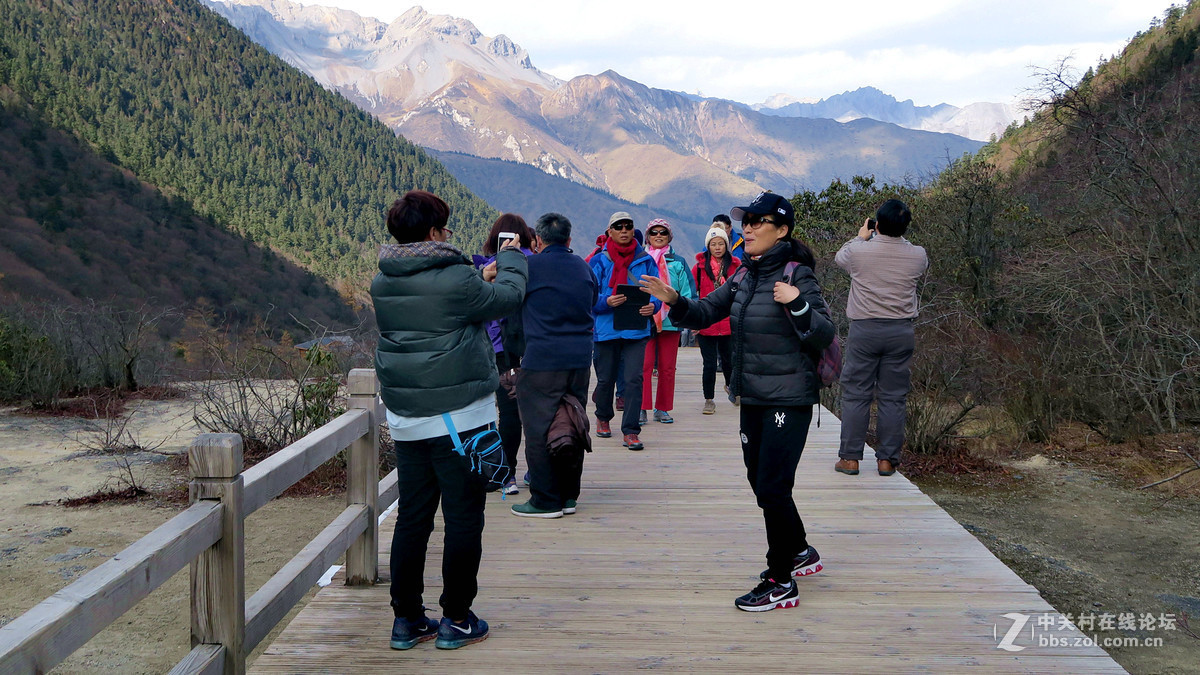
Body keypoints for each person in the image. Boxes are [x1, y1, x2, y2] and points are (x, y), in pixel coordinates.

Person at [640, 191, 834, 612]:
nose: (747, 227)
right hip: (754, 396)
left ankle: (780, 579)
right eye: (746, 220)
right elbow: (707, 311)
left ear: (782, 230)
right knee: (760, 482)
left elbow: (823, 333)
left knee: (772, 486)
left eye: (759, 221)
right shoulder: (745, 275)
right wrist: (673, 300)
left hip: (789, 398)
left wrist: (797, 304)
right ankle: (799, 549)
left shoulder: (796, 275)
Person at [372, 190, 527, 650]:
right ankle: (456, 619)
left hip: (407, 419)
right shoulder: (457, 278)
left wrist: (480, 275)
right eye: (445, 226)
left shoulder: (385, 280)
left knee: (413, 519)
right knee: (462, 519)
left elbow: (436, 304)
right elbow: (509, 297)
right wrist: (511, 257)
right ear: (435, 231)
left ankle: (407, 621)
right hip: (460, 421)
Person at [510, 213, 598, 518]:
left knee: (538, 428)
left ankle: (545, 500)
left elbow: (510, 304)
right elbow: (593, 300)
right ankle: (569, 496)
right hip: (579, 359)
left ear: (537, 241)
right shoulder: (583, 267)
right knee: (573, 422)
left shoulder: (529, 266)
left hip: (542, 359)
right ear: (569, 240)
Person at [833, 199, 928, 477]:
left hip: (865, 329)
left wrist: (861, 236)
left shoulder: (859, 252)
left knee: (856, 394)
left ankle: (850, 458)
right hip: (901, 332)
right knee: (893, 398)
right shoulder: (918, 254)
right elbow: (910, 253)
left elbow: (841, 257)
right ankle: (887, 460)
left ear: (878, 224)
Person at [589, 211, 660, 451]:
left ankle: (630, 431)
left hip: (635, 329)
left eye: (628, 226)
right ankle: (603, 417)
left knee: (633, 380)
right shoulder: (598, 260)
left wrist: (654, 306)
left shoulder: (646, 260)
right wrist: (605, 302)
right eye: (618, 226)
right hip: (606, 329)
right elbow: (588, 295)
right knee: (606, 379)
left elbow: (658, 291)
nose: (623, 230)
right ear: (609, 231)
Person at [478, 213, 536, 495]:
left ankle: (506, 474)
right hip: (534, 348)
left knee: (509, 413)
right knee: (536, 411)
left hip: (501, 350)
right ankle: (536, 471)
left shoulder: (487, 267)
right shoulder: (534, 264)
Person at [640, 219, 695, 425]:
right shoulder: (641, 260)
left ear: (669, 236)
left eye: (663, 232)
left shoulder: (678, 262)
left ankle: (662, 408)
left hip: (671, 321)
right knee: (643, 366)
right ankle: (642, 408)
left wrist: (686, 314)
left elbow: (688, 292)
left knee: (667, 367)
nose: (658, 235)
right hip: (645, 319)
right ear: (648, 236)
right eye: (654, 232)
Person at [691, 226, 740, 415]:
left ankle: (731, 388)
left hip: (728, 321)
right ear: (708, 246)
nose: (717, 247)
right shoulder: (699, 268)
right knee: (709, 363)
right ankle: (709, 399)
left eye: (721, 244)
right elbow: (692, 294)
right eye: (713, 244)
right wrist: (694, 319)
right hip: (707, 321)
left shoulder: (735, 266)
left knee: (729, 360)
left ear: (726, 245)